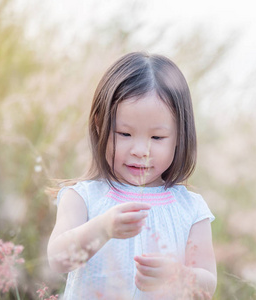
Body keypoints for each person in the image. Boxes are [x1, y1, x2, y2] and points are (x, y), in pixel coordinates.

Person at [47, 52, 217, 299]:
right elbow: (58, 260)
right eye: (124, 134)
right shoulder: (83, 197)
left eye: (157, 138)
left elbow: (207, 284)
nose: (140, 151)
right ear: (99, 125)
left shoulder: (190, 208)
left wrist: (178, 275)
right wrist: (103, 228)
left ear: (181, 136)